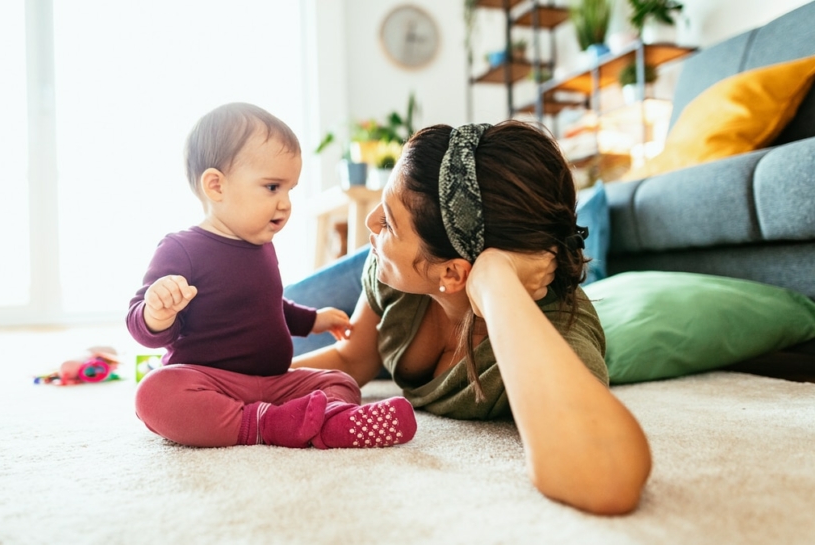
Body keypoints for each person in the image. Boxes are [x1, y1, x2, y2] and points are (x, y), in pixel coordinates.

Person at [291, 120, 651, 514]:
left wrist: (496, 279)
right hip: (420, 273)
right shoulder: (393, 275)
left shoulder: (559, 326)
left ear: (453, 272)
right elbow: (348, 359)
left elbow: (608, 478)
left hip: (489, 286)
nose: (369, 222)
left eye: (389, 223)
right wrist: (234, 385)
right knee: (274, 315)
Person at [127, 102, 417, 450]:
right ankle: (266, 424)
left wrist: (313, 320)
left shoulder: (262, 246)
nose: (285, 203)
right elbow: (139, 323)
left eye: (290, 189)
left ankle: (330, 423)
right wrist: (157, 313)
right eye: (272, 187)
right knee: (154, 394)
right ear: (216, 186)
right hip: (211, 381)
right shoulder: (181, 249)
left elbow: (270, 307)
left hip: (274, 381)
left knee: (341, 381)